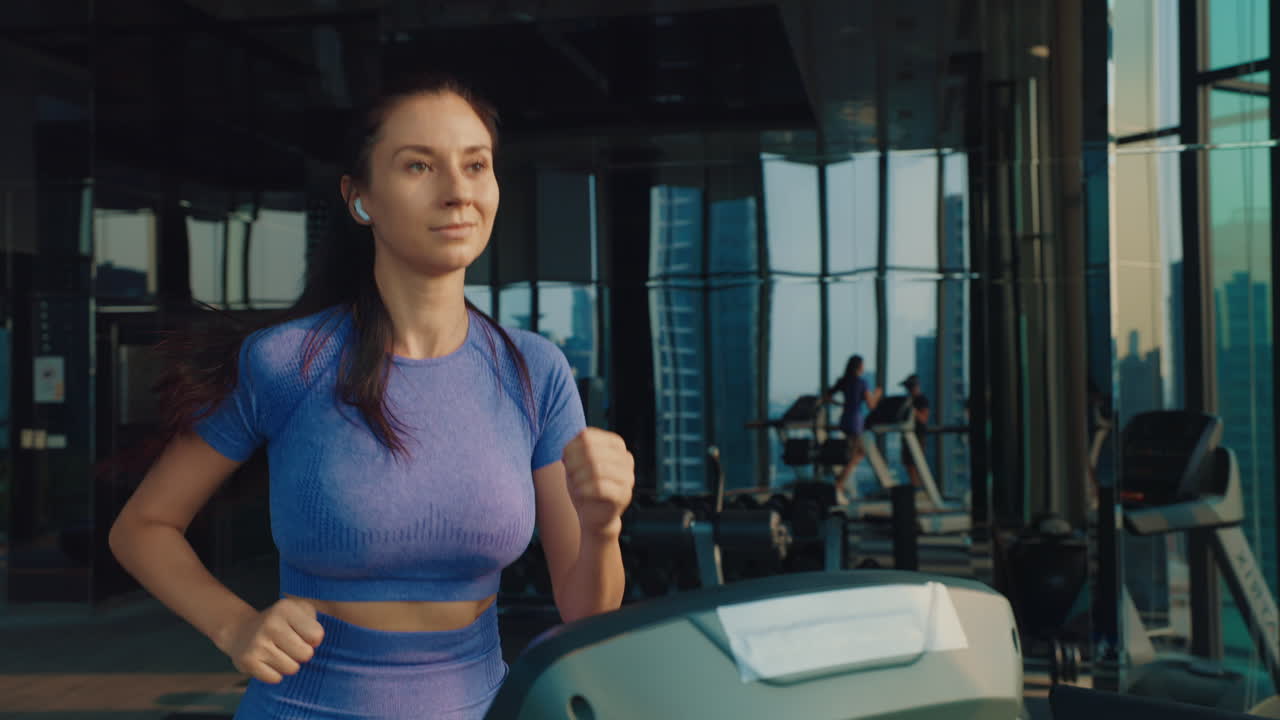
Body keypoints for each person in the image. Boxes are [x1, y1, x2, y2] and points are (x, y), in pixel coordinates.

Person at [107, 73, 634, 720]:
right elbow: (143, 528)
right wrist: (234, 626)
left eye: (476, 165)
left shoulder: (536, 371)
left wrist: (603, 525)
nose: (458, 191)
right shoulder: (288, 362)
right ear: (362, 200)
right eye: (420, 165)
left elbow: (586, 610)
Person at [821, 355, 881, 504]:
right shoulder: (861, 383)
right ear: (859, 367)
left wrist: (838, 404)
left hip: (845, 419)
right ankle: (838, 484)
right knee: (856, 454)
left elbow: (826, 396)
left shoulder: (844, 381)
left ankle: (839, 483)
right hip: (855, 421)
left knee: (854, 452)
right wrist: (878, 394)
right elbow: (871, 405)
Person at [900, 374, 931, 495]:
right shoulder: (908, 400)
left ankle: (919, 487)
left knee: (917, 463)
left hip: (917, 436)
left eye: (910, 387)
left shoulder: (921, 400)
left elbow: (923, 418)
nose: (908, 390)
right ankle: (915, 486)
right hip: (907, 435)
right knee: (908, 463)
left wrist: (913, 410)